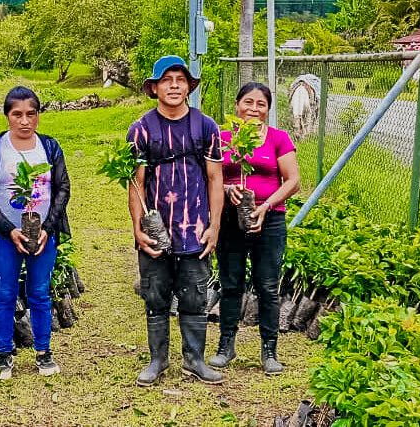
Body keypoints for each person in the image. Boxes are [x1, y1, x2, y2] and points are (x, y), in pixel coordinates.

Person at [128, 55, 226, 386]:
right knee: (155, 293)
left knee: (195, 295)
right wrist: (138, 229)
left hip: (195, 227)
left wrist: (214, 226)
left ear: (188, 87)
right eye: (166, 80)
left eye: (180, 79)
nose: (173, 85)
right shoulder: (141, 130)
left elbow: (215, 179)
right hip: (157, 227)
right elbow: (136, 183)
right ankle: (158, 360)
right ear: (154, 88)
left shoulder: (206, 127)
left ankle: (195, 359)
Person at [0, 86, 71, 379]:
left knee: (40, 293)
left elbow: (62, 188)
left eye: (31, 114)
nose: (24, 121)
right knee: (4, 293)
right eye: (17, 114)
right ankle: (4, 354)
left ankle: (43, 352)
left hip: (43, 234)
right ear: (7, 116)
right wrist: (9, 229)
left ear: (38, 115)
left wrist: (47, 227)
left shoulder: (50, 147)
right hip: (5, 235)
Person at [208, 82, 301, 375]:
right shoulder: (223, 138)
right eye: (248, 102)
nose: (254, 109)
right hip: (229, 220)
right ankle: (226, 346)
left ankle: (269, 350)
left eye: (261, 104)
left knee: (267, 285)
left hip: (269, 220)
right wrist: (226, 188)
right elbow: (209, 177)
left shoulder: (278, 139)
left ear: (268, 109)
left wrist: (266, 206)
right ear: (237, 105)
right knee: (231, 282)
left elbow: (293, 181)